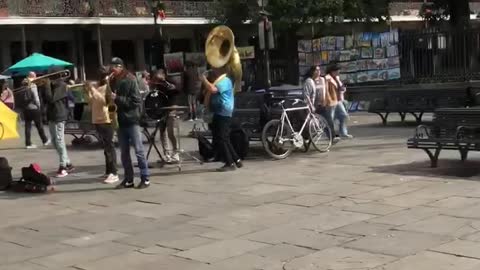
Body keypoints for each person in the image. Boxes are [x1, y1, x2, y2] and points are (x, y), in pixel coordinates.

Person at [109, 57, 150, 189]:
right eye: (111, 67)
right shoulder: (113, 80)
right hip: (120, 120)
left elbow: (136, 101)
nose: (112, 69)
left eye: (114, 67)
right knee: (124, 152)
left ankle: (145, 178)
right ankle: (128, 179)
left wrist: (118, 98)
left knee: (139, 150)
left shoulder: (131, 79)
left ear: (120, 67)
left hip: (132, 120)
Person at [200, 68, 243, 172]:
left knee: (222, 138)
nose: (213, 71)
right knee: (223, 138)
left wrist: (203, 79)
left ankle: (230, 163)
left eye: (215, 69)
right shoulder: (220, 80)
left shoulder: (225, 80)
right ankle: (236, 160)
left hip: (223, 112)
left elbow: (212, 89)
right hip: (219, 112)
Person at [85, 66, 119, 184]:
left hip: (106, 119)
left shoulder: (107, 87)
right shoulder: (98, 87)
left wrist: (93, 90)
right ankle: (108, 171)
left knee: (110, 147)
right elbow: (92, 102)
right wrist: (88, 91)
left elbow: (104, 101)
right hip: (97, 119)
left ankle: (114, 173)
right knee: (105, 148)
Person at [44, 69, 74, 178]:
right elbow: (45, 99)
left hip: (59, 116)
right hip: (52, 116)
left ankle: (63, 167)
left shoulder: (62, 85)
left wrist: (47, 85)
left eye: (48, 76)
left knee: (59, 140)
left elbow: (51, 99)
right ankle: (68, 163)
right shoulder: (51, 85)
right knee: (54, 141)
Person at [151, 69, 179, 163]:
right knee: (162, 132)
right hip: (161, 110)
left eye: (158, 76)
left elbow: (176, 90)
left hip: (171, 108)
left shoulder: (170, 82)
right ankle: (166, 153)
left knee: (171, 132)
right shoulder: (157, 85)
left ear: (163, 74)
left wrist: (164, 81)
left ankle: (175, 152)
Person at [325, 63, 353, 139]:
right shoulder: (327, 78)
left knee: (343, 116)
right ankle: (330, 134)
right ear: (332, 71)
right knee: (330, 119)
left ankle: (343, 132)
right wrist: (328, 100)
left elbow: (340, 87)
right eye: (337, 70)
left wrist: (343, 88)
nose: (339, 72)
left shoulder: (337, 77)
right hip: (331, 101)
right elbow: (326, 90)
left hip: (338, 100)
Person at [23, 72, 50, 149]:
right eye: (35, 76)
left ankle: (28, 143)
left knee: (27, 126)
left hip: (26, 108)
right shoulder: (32, 85)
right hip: (34, 108)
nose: (36, 78)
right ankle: (45, 140)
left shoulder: (23, 84)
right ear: (32, 77)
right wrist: (39, 106)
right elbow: (36, 97)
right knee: (39, 125)